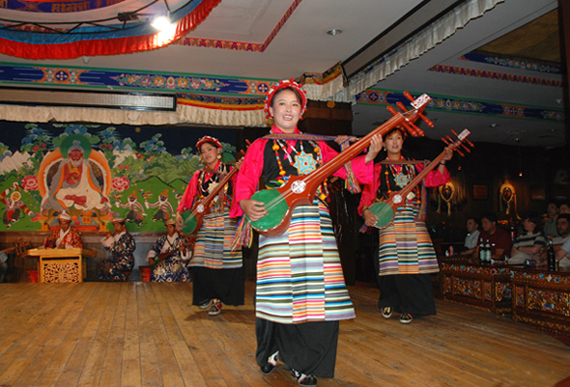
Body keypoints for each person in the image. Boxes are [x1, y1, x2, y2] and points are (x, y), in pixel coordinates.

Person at [231, 79, 382, 386]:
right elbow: (245, 181)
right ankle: (272, 349)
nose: (288, 110)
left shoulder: (317, 145)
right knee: (281, 294)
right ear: (270, 111)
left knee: (317, 296)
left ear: (302, 112)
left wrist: (367, 157)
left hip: (316, 227)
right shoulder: (261, 146)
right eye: (282, 104)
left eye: (294, 104)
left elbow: (345, 170)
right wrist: (246, 203)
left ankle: (305, 361)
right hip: (278, 227)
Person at [360, 127, 451, 325]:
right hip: (390, 219)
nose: (394, 142)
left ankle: (412, 308)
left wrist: (442, 160)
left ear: (403, 141)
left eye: (398, 138)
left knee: (415, 265)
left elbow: (436, 179)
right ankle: (390, 301)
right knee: (390, 264)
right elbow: (368, 192)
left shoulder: (416, 165)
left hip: (412, 219)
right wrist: (366, 211)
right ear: (383, 144)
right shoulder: (378, 167)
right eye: (390, 139)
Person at [176, 136, 243, 317]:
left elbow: (243, 187)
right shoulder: (199, 175)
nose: (206, 154)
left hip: (227, 220)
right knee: (199, 261)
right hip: (207, 221)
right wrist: (179, 213)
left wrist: (241, 170)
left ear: (218, 150)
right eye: (202, 151)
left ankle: (217, 301)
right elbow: (188, 196)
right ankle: (204, 297)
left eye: (209, 149)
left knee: (224, 264)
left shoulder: (231, 170)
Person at [98, 216, 135, 281]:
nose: (115, 227)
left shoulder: (127, 237)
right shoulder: (115, 236)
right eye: (114, 226)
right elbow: (109, 249)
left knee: (110, 268)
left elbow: (119, 249)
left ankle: (119, 281)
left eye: (118, 225)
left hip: (125, 261)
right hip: (116, 260)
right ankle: (105, 285)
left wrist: (110, 239)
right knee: (102, 264)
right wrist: (107, 239)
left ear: (123, 226)